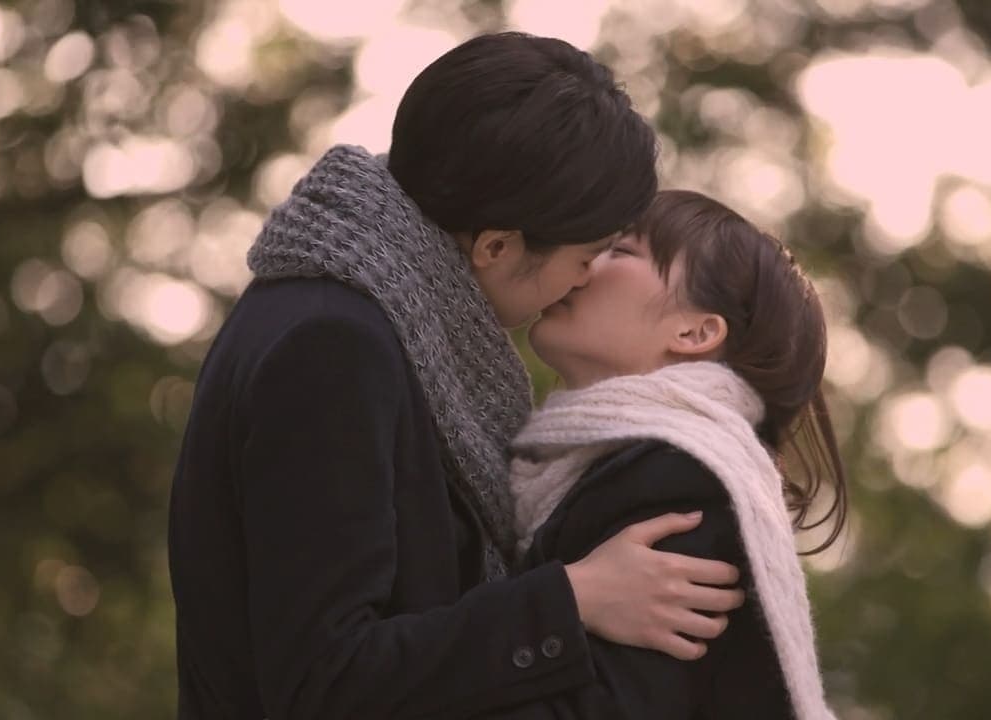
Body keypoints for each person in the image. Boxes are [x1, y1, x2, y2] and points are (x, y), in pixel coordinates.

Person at [167, 34, 745, 719]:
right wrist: (571, 598)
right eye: (585, 256)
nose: (585, 280)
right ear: (496, 245)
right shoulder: (333, 345)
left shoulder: (354, 311)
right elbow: (322, 682)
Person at [494, 189, 850, 719]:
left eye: (621, 251)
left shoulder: (679, 482)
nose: (585, 262)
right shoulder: (619, 465)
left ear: (694, 332)